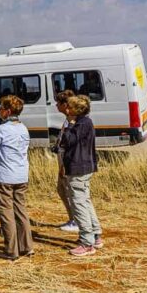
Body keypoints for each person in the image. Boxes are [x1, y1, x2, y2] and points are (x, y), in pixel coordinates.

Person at [0, 95, 33, 260]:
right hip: (21, 175)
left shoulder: (1, 129)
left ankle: (11, 250)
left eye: (2, 109)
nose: (0, 112)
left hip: (4, 175)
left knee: (6, 213)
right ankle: (27, 246)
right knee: (21, 210)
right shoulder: (23, 128)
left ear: (8, 111)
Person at [60, 95, 103, 257]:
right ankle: (96, 235)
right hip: (85, 166)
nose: (67, 110)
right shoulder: (87, 122)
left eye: (69, 107)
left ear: (76, 110)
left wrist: (69, 125)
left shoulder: (79, 124)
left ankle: (87, 243)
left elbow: (68, 141)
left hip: (78, 167)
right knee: (85, 201)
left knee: (78, 203)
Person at [54, 90, 78, 232]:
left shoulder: (72, 120)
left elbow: (70, 144)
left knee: (69, 190)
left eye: (58, 103)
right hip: (62, 158)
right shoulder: (67, 119)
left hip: (67, 161)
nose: (56, 106)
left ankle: (76, 220)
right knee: (62, 189)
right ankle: (72, 218)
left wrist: (64, 165)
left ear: (65, 105)